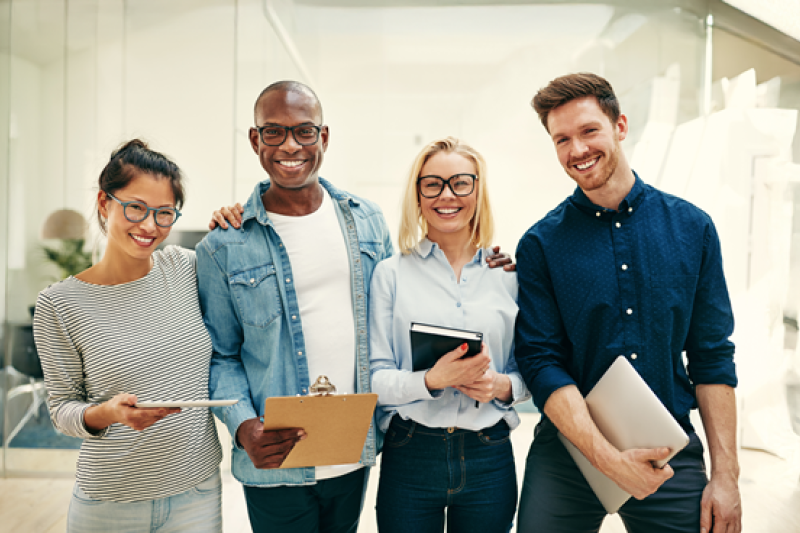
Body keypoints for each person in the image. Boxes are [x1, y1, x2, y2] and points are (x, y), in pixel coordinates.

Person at [198, 81, 513, 533]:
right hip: (276, 454)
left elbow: (399, 310)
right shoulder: (223, 245)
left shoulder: (365, 221)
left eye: (304, 131)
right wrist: (244, 427)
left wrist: (490, 261)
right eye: (274, 132)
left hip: (351, 450)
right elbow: (221, 354)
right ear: (255, 140)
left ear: (323, 138)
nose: (290, 145)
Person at [513, 72, 742, 533]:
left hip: (668, 448)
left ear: (619, 126)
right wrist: (609, 459)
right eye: (562, 140)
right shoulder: (540, 244)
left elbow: (712, 357)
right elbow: (541, 362)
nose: (577, 150)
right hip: (568, 453)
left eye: (588, 131)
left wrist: (726, 477)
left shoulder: (692, 229)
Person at [32, 139, 229, 532]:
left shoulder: (188, 268)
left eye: (164, 213)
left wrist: (235, 219)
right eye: (136, 207)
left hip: (197, 493)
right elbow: (62, 409)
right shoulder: (59, 304)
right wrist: (107, 413)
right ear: (105, 203)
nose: (149, 225)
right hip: (110, 503)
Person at [369, 137, 530, 533]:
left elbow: (532, 373)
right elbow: (374, 379)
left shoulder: (509, 275)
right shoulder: (391, 274)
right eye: (433, 184)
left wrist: (500, 386)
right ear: (418, 194)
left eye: (461, 183)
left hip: (488, 454)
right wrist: (430, 381)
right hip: (411, 452)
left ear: (478, 190)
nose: (447, 195)